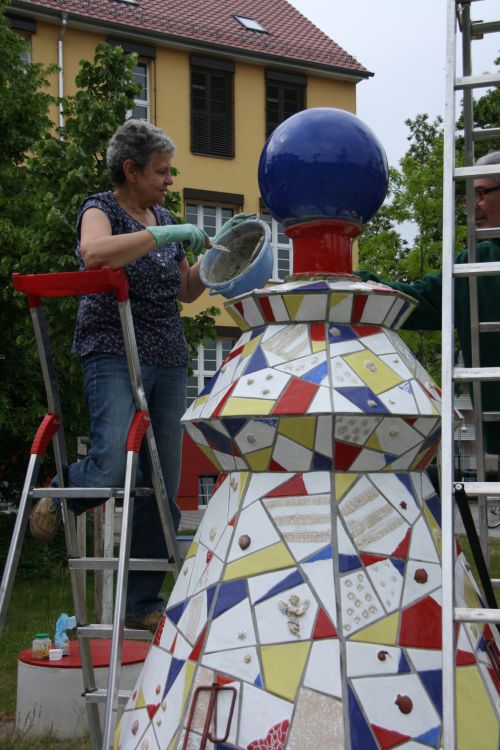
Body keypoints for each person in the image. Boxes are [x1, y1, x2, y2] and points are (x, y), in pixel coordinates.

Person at [29, 119, 251, 633]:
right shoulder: (100, 209)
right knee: (109, 467)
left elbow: (185, 291)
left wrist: (221, 264)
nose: (169, 181)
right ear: (130, 170)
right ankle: (59, 490)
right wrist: (161, 235)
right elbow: (95, 254)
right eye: (161, 171)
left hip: (166, 355)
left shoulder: (162, 215)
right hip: (112, 347)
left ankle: (141, 602)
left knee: (162, 485)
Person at [357, 150, 500, 454]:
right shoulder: (472, 265)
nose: (472, 208)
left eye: (481, 193)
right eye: (467, 198)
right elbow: (416, 300)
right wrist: (354, 280)